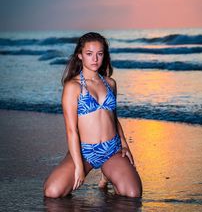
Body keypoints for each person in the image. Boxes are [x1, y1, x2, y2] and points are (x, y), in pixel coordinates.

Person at [43, 32, 142, 198]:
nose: (95, 59)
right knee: (52, 192)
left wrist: (124, 144)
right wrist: (79, 167)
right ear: (80, 55)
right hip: (85, 152)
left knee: (133, 194)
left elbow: (113, 117)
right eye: (89, 54)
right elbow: (71, 130)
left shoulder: (110, 83)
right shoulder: (72, 87)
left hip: (112, 149)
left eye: (100, 54)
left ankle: (107, 174)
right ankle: (105, 173)